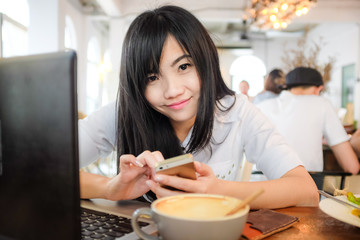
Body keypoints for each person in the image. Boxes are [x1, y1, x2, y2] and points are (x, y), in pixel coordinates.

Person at [79, 5, 318, 209]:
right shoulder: (124, 112)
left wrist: (219, 190)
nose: (172, 90)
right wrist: (110, 188)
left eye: (183, 67)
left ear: (205, 62)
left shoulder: (236, 112)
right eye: (152, 77)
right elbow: (44, 170)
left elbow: (305, 190)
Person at [257, 67, 359, 174]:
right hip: (305, 184)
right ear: (318, 89)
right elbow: (352, 167)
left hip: (260, 184)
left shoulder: (261, 107)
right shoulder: (321, 104)